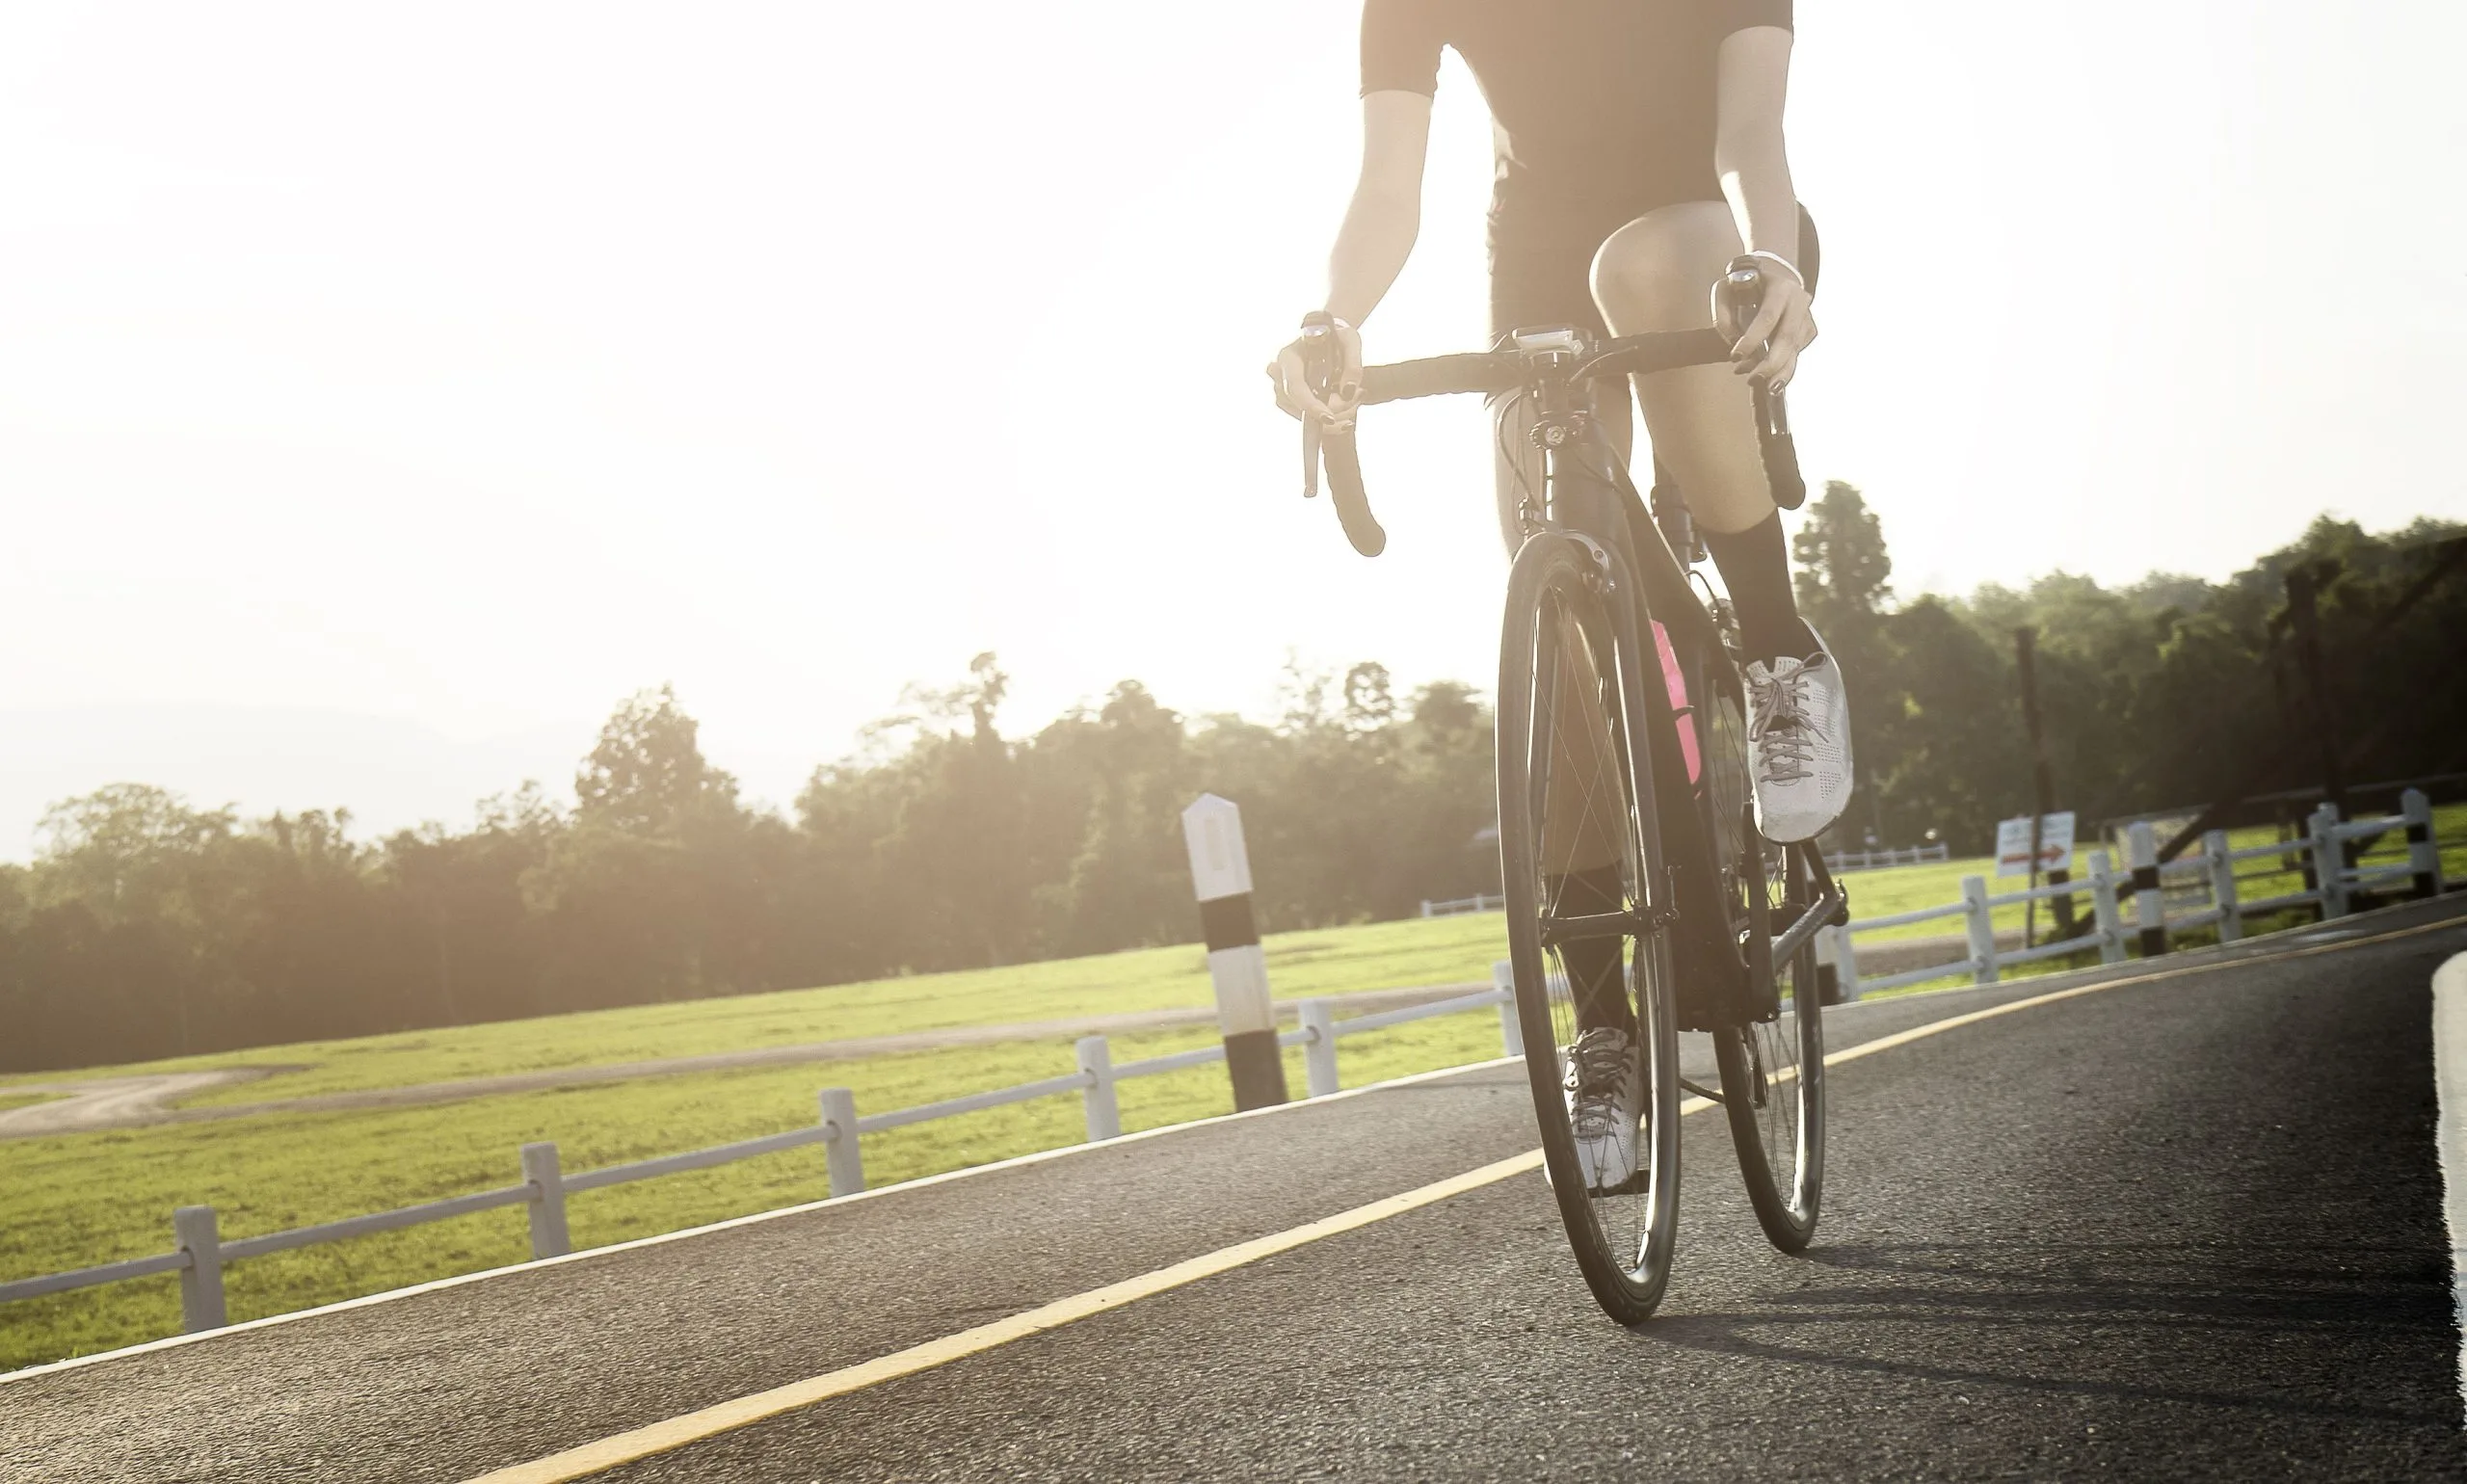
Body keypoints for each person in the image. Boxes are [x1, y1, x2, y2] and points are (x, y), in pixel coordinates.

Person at [1268, 0, 1852, 1188]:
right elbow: (1389, 190)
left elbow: (1750, 133)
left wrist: (1775, 257)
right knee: (1555, 626)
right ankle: (1604, 1030)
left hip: (1712, 240)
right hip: (1530, 263)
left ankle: (1779, 649)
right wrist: (1333, 321)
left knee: (1643, 265)